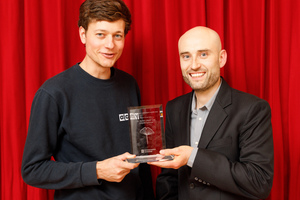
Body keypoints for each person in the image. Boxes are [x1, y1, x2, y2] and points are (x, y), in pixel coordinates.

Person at [21, 0, 154, 199]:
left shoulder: (130, 85)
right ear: (83, 35)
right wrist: (97, 170)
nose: (110, 45)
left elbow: (142, 158)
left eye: (117, 36)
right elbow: (33, 170)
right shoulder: (54, 93)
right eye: (100, 34)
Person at [149, 26, 274, 200]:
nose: (194, 65)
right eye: (186, 56)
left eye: (203, 54)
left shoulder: (252, 109)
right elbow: (169, 179)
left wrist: (192, 156)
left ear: (221, 58)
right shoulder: (173, 109)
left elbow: (259, 182)